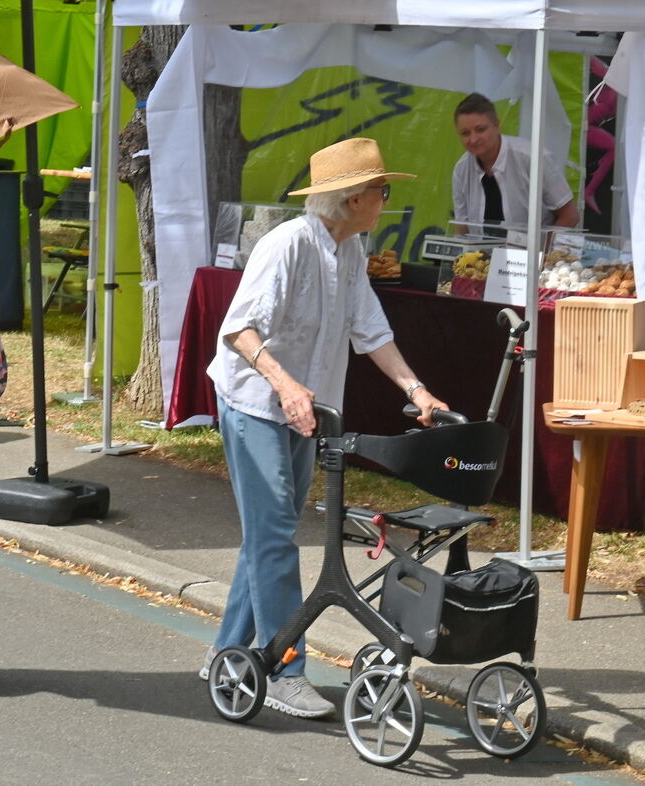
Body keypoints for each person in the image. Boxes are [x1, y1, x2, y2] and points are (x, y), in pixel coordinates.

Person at [202, 138, 449, 718]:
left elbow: (371, 330)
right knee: (274, 538)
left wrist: (416, 390)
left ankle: (229, 656)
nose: (386, 201)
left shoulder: (352, 247)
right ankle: (284, 669)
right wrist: (286, 386)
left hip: (309, 411)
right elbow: (238, 331)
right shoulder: (286, 245)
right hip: (256, 404)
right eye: (382, 192)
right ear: (355, 198)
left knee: (271, 533)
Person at [451, 92, 579, 234]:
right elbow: (461, 227)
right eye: (465, 133)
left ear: (497, 126)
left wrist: (541, 252)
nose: (473, 139)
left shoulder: (533, 158)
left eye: (480, 130)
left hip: (533, 253)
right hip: (481, 254)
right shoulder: (461, 169)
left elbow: (570, 216)